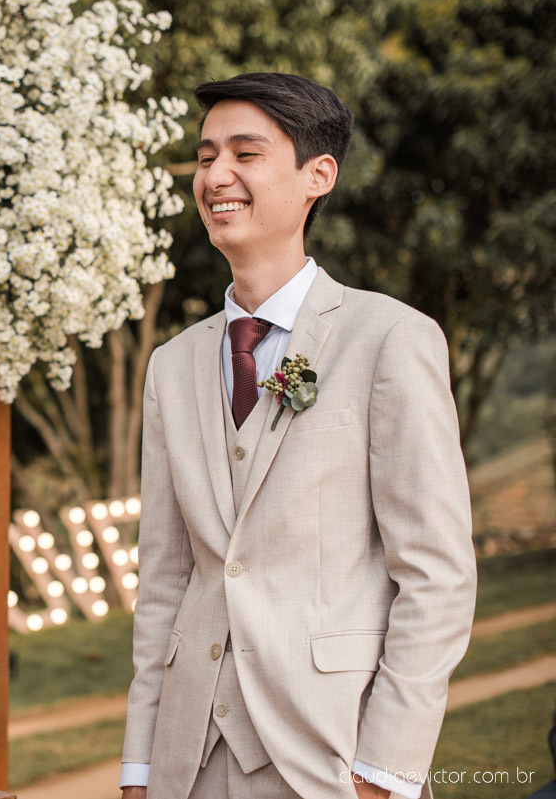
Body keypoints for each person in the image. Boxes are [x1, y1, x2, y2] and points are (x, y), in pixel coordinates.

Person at [120, 73, 477, 799]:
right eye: (206, 154)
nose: (216, 175)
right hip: (186, 763)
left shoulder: (390, 340)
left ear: (319, 175)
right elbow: (163, 582)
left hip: (330, 758)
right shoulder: (172, 364)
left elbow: (437, 577)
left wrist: (384, 770)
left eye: (245, 154)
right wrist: (140, 766)